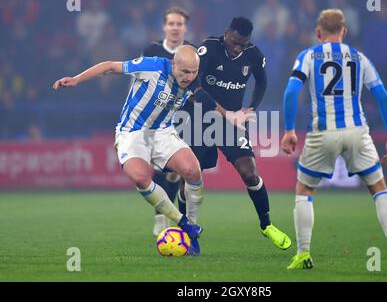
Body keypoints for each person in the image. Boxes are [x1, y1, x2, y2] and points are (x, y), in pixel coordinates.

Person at [52, 45, 252, 255]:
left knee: (193, 170)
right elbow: (110, 66)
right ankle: (182, 222)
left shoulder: (192, 81)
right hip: (132, 133)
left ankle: (192, 231)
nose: (189, 77)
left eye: (194, 72)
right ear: (174, 64)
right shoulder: (152, 66)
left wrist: (229, 115)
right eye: (185, 72)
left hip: (163, 132)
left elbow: (206, 101)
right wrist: (76, 79)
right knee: (140, 178)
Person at [281, 9, 387, 269]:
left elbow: (290, 92)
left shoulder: (307, 56)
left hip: (323, 132)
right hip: (357, 131)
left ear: (318, 33)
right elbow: (383, 97)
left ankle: (304, 254)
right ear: (344, 32)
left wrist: (289, 130)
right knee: (379, 188)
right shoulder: (359, 57)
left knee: (305, 190)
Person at [179, 17, 292, 252]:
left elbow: (262, 82)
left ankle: (266, 225)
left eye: (242, 44)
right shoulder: (208, 49)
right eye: (234, 42)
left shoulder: (253, 55)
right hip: (200, 119)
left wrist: (250, 108)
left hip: (232, 123)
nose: (237, 48)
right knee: (190, 175)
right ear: (226, 33)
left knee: (250, 173)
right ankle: (187, 230)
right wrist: (224, 112)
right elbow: (194, 85)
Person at [142, 6, 194, 236]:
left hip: (181, 116)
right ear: (164, 26)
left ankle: (166, 215)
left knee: (175, 171)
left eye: (179, 24)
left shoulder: (191, 53)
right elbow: (139, 81)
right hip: (154, 117)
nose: (175, 28)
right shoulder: (152, 50)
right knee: (159, 169)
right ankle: (161, 214)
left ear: (185, 27)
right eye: (171, 23)